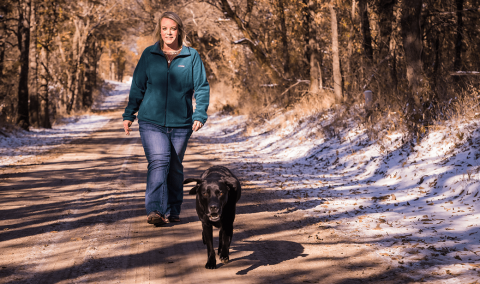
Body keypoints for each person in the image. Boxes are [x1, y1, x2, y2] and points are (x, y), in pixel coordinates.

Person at [122, 11, 210, 226]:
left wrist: (199, 114)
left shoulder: (191, 56)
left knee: (175, 166)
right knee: (159, 161)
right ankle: (155, 210)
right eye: (164, 28)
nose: (168, 32)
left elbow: (201, 87)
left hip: (181, 123)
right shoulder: (149, 55)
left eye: (172, 28)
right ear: (159, 31)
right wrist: (129, 114)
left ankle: (174, 208)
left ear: (179, 30)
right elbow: (137, 87)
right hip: (151, 122)